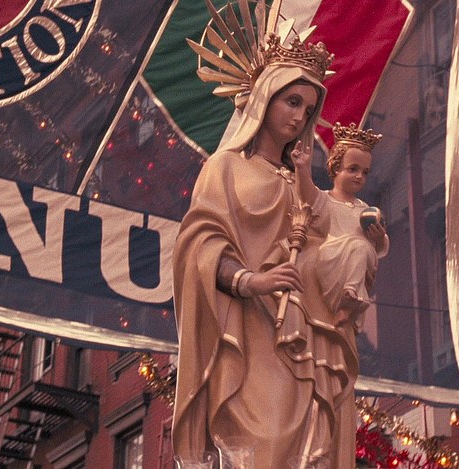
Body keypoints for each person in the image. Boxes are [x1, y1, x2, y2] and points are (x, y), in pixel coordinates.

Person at [172, 3, 357, 467]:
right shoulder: (225, 168)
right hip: (250, 336)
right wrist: (251, 281)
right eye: (291, 102)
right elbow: (200, 245)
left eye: (308, 110)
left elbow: (329, 247)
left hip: (306, 335)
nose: (299, 118)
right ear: (264, 98)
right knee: (265, 445)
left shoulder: (303, 184)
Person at [293, 122, 389, 329]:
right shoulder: (326, 200)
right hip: (332, 257)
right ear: (336, 167)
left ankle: (350, 297)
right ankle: (348, 299)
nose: (359, 176)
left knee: (361, 247)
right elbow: (307, 195)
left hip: (360, 261)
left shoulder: (366, 210)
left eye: (365, 172)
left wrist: (379, 238)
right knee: (358, 247)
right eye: (353, 169)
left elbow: (380, 247)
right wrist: (301, 169)